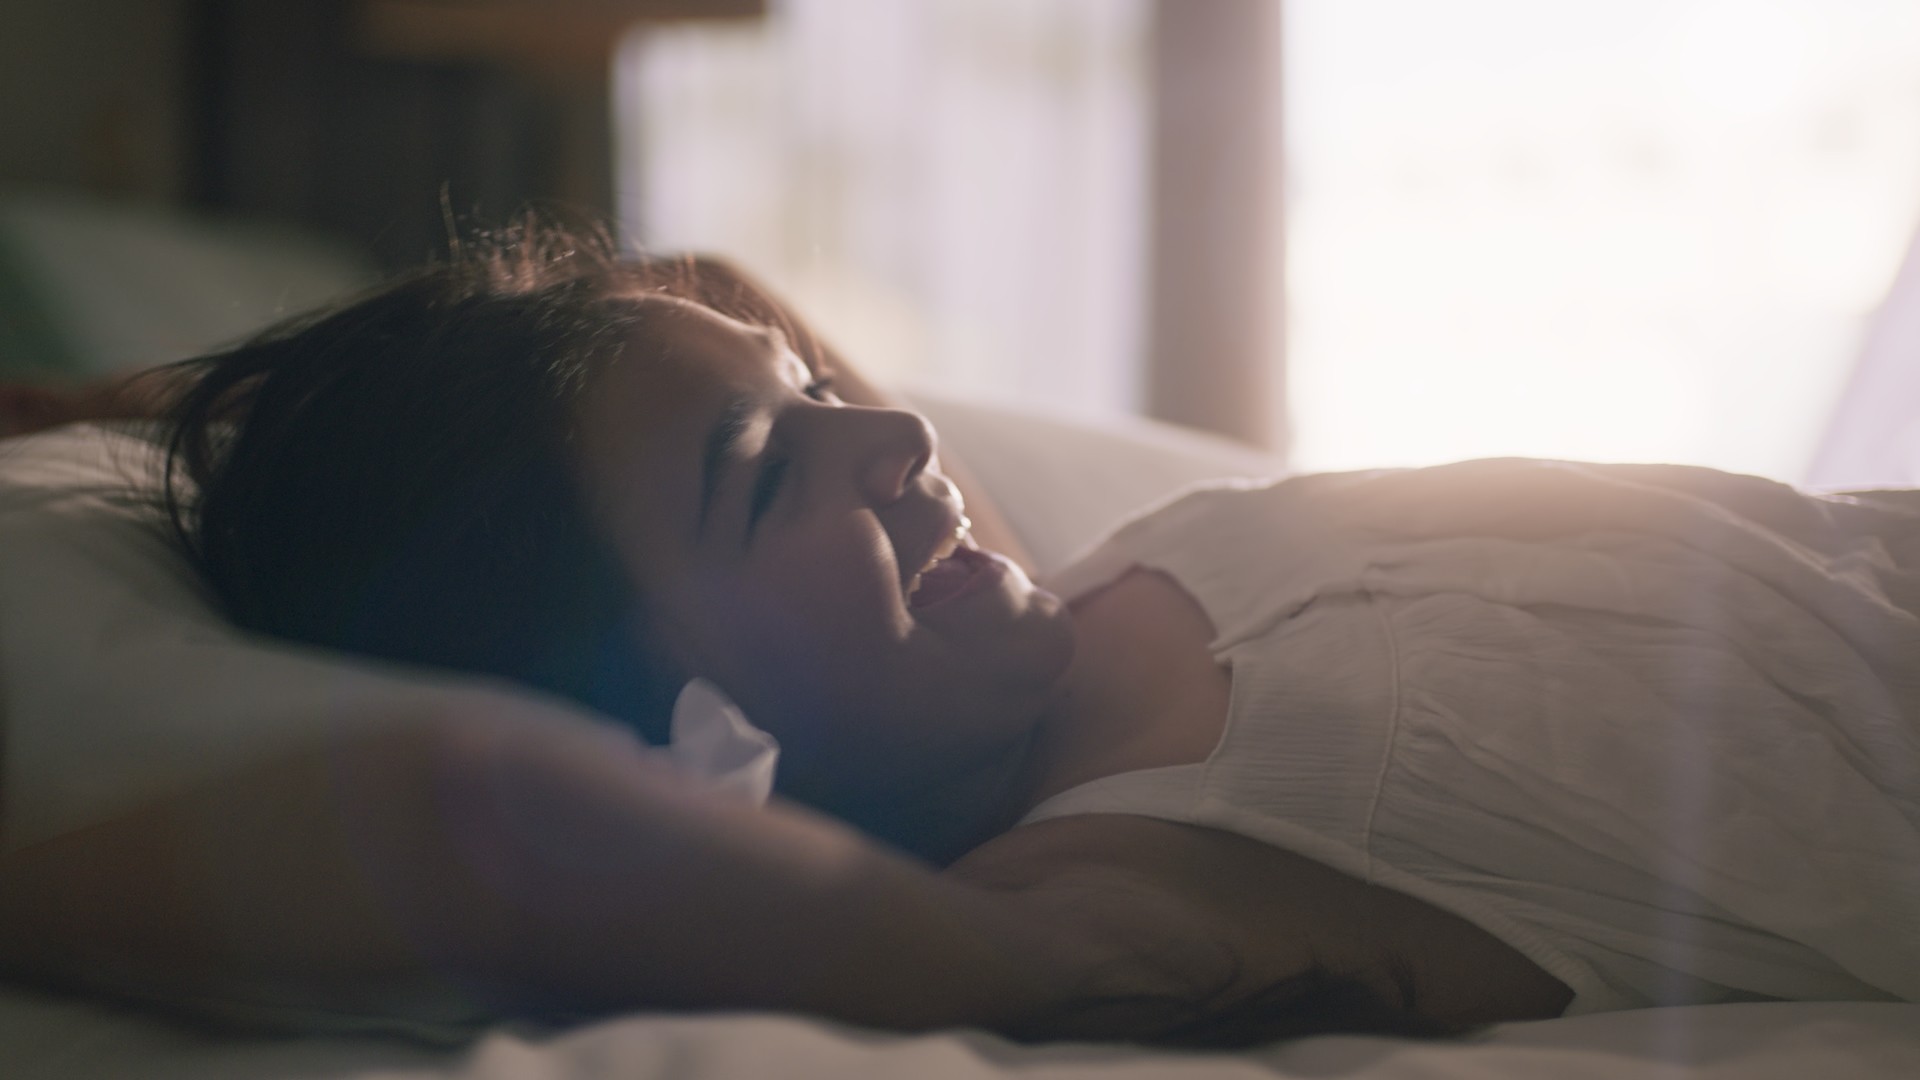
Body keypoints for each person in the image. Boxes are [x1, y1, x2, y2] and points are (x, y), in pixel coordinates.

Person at [0, 223, 1912, 1046]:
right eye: (771, 473)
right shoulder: (1106, 888)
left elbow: (699, 294)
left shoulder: (1048, 592)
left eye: (820, 394)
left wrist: (125, 401)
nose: (896, 436)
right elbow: (479, 817)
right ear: (672, 723)